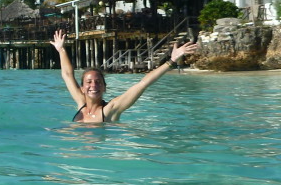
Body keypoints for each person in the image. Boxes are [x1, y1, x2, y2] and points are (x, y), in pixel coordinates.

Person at [49, 29, 199, 123]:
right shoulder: (81, 104)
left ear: (104, 87)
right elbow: (68, 75)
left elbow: (142, 84)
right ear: (82, 88)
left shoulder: (111, 109)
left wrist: (171, 61)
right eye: (89, 82)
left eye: (98, 82)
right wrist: (61, 49)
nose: (93, 85)